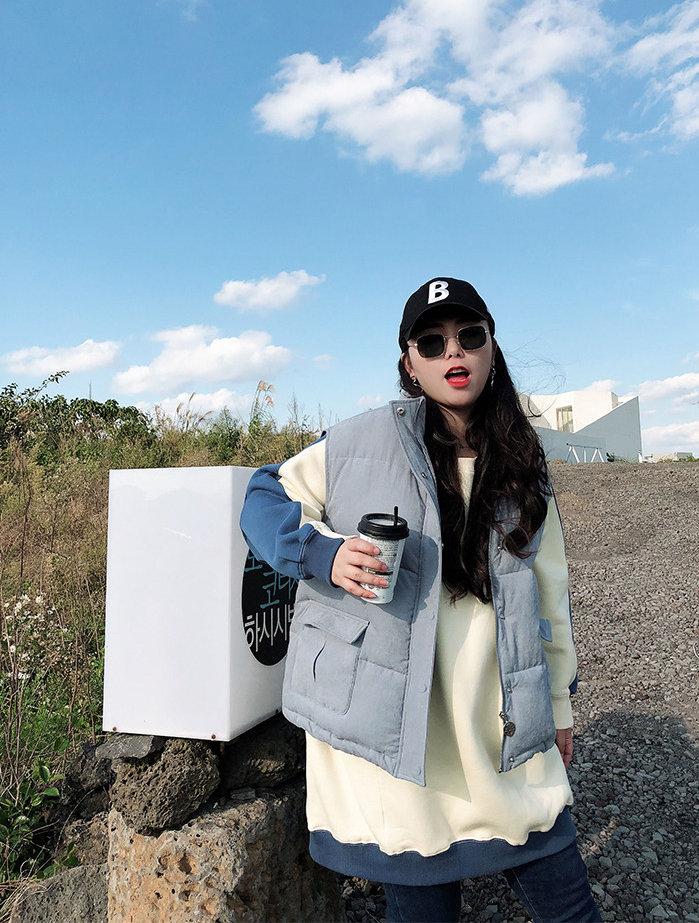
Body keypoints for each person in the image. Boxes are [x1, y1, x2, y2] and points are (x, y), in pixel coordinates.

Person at [241, 273, 603, 922]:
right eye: (431, 343)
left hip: (499, 722)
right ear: (409, 364)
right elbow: (265, 498)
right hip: (398, 743)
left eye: (470, 336)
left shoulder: (524, 460)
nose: (453, 352)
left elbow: (550, 594)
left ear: (492, 349)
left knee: (569, 904)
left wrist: (557, 705)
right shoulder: (358, 442)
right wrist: (323, 554)